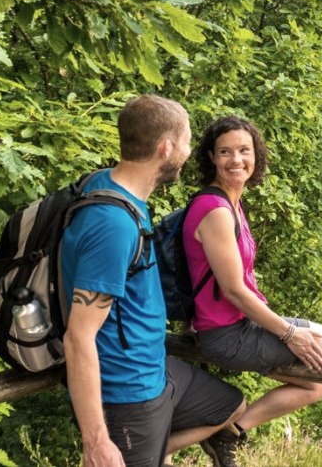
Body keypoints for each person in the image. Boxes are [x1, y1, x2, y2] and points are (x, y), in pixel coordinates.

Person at [61, 95, 247, 467]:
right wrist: (96, 440)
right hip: (127, 392)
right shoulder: (112, 224)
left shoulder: (112, 187)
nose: (190, 149)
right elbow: (78, 335)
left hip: (157, 369)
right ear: (165, 148)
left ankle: (151, 452)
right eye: (186, 140)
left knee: (231, 405)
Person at [182, 116, 322, 467]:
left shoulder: (231, 204)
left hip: (237, 328)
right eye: (225, 152)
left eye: (244, 151)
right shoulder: (215, 210)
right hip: (227, 335)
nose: (236, 160)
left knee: (315, 385)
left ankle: (230, 432)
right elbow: (234, 290)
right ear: (211, 157)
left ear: (256, 155)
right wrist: (289, 333)